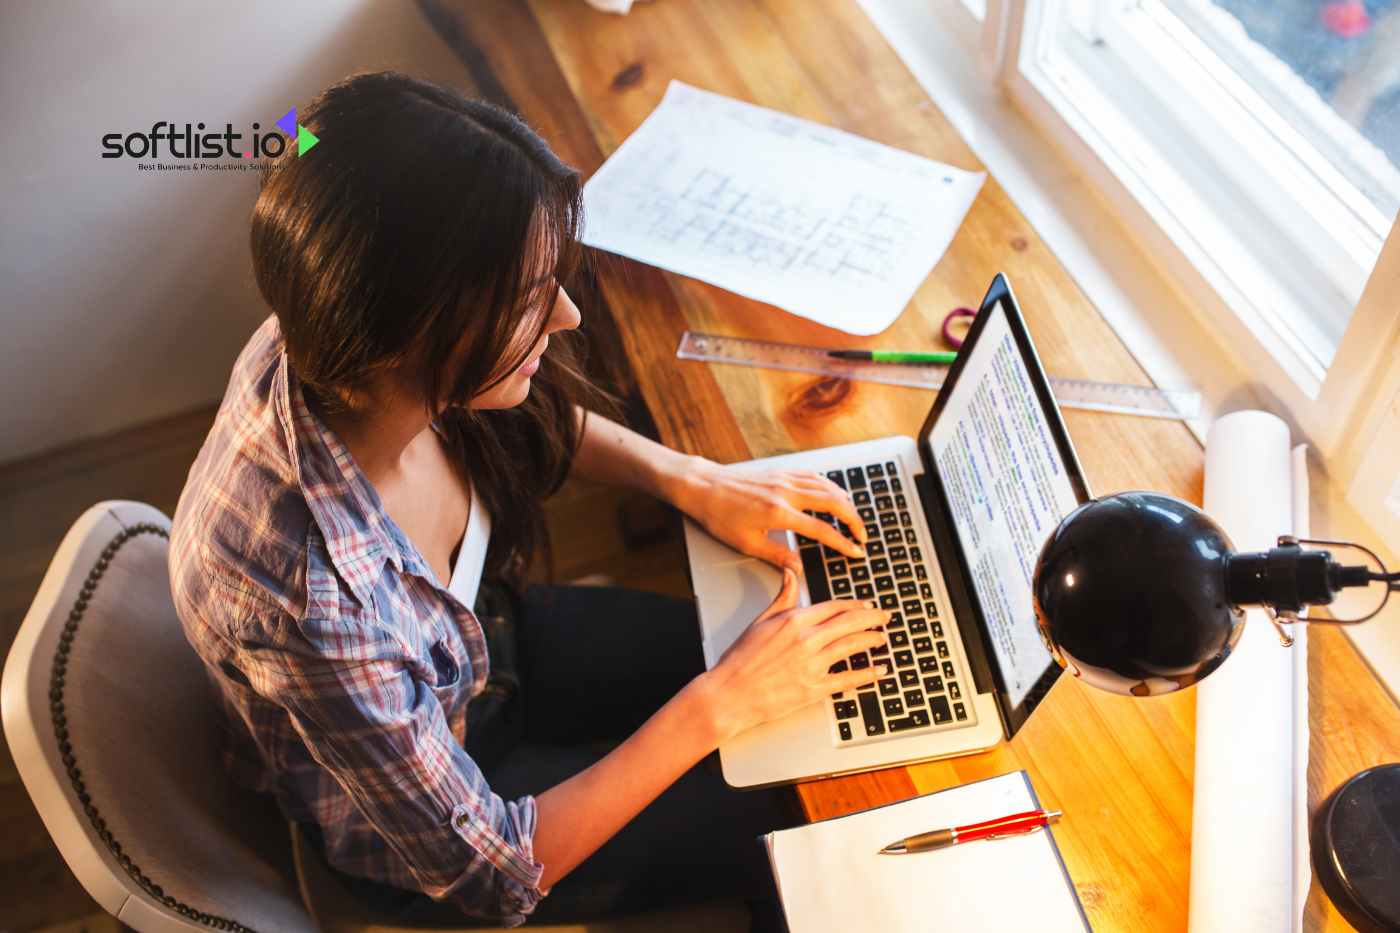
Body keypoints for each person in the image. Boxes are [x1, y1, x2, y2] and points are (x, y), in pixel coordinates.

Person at [169, 71, 889, 928]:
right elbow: (495, 870)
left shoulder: (338, 336)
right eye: (526, 300)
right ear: (411, 333)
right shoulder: (312, 604)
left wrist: (696, 480)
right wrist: (723, 704)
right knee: (797, 806)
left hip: (485, 642)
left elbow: (527, 410)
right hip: (449, 821)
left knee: (811, 693)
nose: (570, 317)